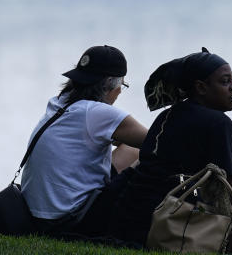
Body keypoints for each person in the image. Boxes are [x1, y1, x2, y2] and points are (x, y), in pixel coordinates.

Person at [111, 48, 232, 251]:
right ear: (201, 87)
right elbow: (226, 196)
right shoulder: (219, 123)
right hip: (167, 223)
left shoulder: (167, 115)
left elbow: (213, 181)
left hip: (133, 220)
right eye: (225, 81)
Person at [20, 44, 148, 238]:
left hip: (35, 214)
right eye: (122, 84)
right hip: (69, 219)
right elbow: (157, 140)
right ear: (111, 85)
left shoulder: (59, 102)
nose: (121, 91)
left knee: (129, 148)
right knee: (146, 156)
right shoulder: (96, 113)